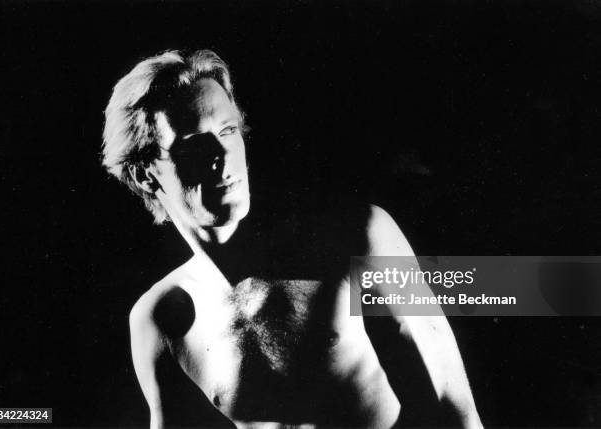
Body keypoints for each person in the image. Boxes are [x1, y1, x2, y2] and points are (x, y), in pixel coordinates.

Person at [102, 49, 482, 429]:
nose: (223, 154)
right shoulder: (160, 318)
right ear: (145, 176)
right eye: (193, 144)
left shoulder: (357, 235)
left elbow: (455, 407)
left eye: (229, 130)